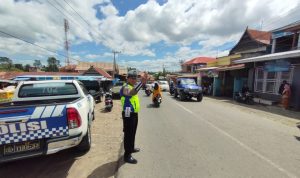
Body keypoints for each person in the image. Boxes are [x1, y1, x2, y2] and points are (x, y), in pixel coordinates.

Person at [120, 70, 148, 164]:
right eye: (132, 78)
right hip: (128, 115)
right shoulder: (125, 87)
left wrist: (142, 82)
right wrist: (141, 82)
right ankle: (127, 155)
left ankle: (131, 148)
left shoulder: (132, 86)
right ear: (127, 78)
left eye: (135, 78)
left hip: (134, 114)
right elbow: (132, 93)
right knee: (128, 134)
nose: (134, 80)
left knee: (133, 132)